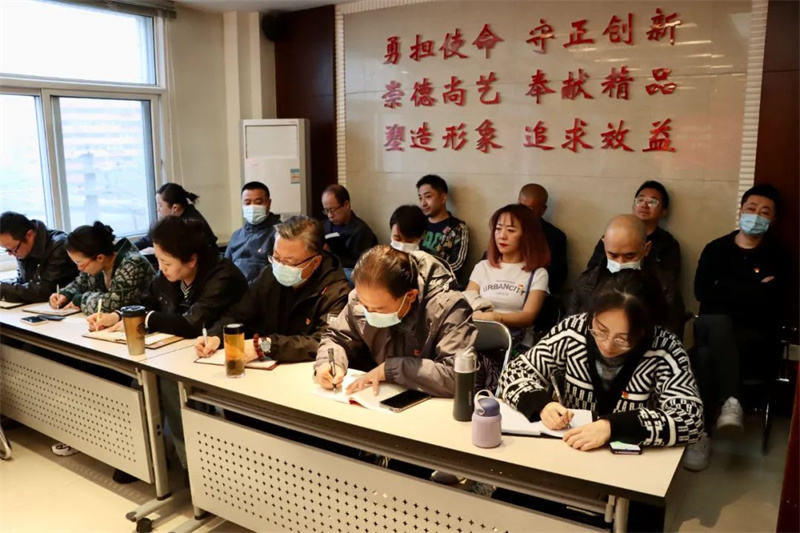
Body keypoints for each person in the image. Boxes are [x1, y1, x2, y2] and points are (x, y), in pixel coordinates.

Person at [98, 216, 248, 477]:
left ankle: (192, 467)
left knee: (168, 381)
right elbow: (147, 301)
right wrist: (119, 315)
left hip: (218, 356)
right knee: (138, 378)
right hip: (179, 352)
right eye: (158, 260)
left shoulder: (223, 276)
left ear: (191, 260)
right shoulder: (169, 274)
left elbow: (191, 324)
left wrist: (145, 319)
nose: (161, 268)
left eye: (166, 262)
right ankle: (143, 454)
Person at [499, 269, 703, 451]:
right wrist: (542, 405)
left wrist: (612, 427)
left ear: (646, 330)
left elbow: (691, 420)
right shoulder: (574, 330)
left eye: (623, 339)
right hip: (570, 447)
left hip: (632, 459)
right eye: (600, 330)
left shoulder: (664, 348)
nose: (607, 345)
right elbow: (514, 372)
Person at [684, 184, 789, 472]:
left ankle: (701, 435)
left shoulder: (779, 256)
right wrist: (755, 289)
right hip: (713, 328)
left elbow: (775, 301)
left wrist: (726, 290)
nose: (756, 215)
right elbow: (702, 292)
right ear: (741, 210)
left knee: (705, 355)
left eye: (764, 212)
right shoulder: (716, 249)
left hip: (754, 338)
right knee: (717, 325)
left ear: (773, 220)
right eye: (751, 208)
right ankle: (731, 402)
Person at [314, 245, 476, 397]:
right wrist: (329, 363)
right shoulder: (362, 296)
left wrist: (390, 370)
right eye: (364, 305)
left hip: (432, 403)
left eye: (378, 309)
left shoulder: (447, 307)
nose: (369, 313)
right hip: (377, 396)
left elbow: (457, 376)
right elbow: (336, 338)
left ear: (410, 296)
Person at [196, 216, 350, 363]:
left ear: (315, 262)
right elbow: (239, 313)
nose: (281, 266)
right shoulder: (270, 275)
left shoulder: (336, 291)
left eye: (290, 262)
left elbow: (323, 342)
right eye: (276, 258)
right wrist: (216, 335)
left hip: (311, 371)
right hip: (269, 366)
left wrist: (266, 346)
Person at [569, 214, 685, 336]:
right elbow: (571, 330)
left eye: (629, 256)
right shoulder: (586, 284)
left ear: (646, 249)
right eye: (613, 255)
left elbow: (669, 336)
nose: (620, 262)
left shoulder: (665, 288)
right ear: (604, 246)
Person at [466, 204, 549, 347]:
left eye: (511, 230)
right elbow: (467, 304)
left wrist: (495, 318)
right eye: (498, 229)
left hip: (515, 345)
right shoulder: (482, 267)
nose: (502, 236)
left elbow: (528, 317)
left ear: (527, 235)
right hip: (478, 340)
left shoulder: (538, 273)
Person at [49, 222, 155, 325]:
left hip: (146, 326)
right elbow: (80, 283)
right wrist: (65, 294)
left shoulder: (133, 264)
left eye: (79, 263)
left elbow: (111, 305)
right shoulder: (96, 264)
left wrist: (79, 300)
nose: (79, 269)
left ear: (100, 258)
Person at [586, 180, 681, 291]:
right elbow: (592, 271)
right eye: (640, 200)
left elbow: (668, 283)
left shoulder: (668, 244)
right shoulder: (613, 236)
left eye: (652, 202)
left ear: (663, 211)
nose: (644, 205)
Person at [0, 212, 78, 303]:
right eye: (7, 250)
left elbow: (47, 289)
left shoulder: (59, 245)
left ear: (29, 235)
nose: (11, 254)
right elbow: (24, 280)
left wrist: (4, 288)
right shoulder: (22, 247)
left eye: (13, 249)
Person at [225, 181, 281, 283]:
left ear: (268, 203)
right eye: (247, 203)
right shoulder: (237, 235)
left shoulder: (280, 234)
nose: (252, 207)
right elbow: (225, 266)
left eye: (258, 202)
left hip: (262, 289)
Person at [416, 175, 469, 281]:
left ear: (443, 198)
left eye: (428, 197)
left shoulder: (458, 228)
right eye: (420, 198)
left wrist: (427, 273)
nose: (423, 203)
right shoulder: (417, 224)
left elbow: (457, 265)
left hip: (443, 284)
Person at [135, 183, 217, 251]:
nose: (157, 210)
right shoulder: (173, 220)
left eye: (160, 205)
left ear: (175, 208)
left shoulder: (191, 225)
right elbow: (149, 239)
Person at [518, 184, 568, 293]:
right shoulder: (505, 229)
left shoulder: (555, 237)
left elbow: (557, 277)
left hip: (535, 291)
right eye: (521, 207)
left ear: (543, 209)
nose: (524, 213)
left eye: (530, 209)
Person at [321, 184, 378, 281]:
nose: (330, 215)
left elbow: (360, 266)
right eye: (326, 211)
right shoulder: (324, 225)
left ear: (346, 205)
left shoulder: (361, 231)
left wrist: (331, 254)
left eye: (333, 210)